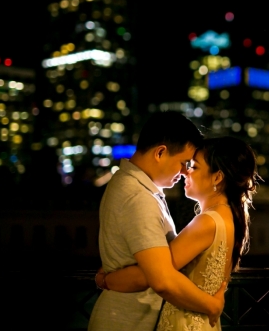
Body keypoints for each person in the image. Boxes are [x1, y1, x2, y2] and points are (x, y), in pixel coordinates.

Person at [96, 136, 260, 331]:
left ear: (217, 177)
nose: (185, 173)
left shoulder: (207, 222)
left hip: (185, 323)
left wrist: (106, 279)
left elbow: (154, 273)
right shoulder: (226, 217)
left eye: (194, 167)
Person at [88, 111, 226, 331]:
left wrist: (108, 280)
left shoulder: (136, 187)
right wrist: (211, 305)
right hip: (127, 321)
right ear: (160, 152)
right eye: (183, 162)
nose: (184, 172)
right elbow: (161, 279)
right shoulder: (137, 196)